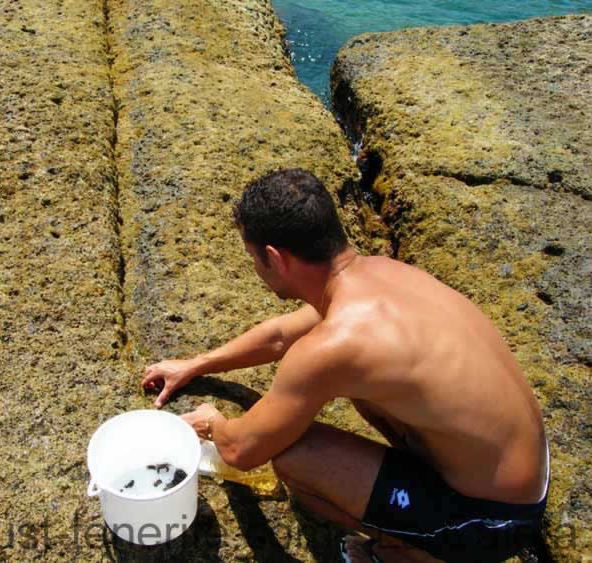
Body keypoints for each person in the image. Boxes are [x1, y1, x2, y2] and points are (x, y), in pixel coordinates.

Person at [140, 169, 549, 563]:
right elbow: (281, 336)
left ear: (274, 258)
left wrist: (213, 422)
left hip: (492, 523)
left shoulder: (334, 347)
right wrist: (197, 364)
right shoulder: (381, 273)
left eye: (253, 258)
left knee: (294, 456)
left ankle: (419, 554)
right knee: (367, 395)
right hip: (521, 482)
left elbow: (240, 449)